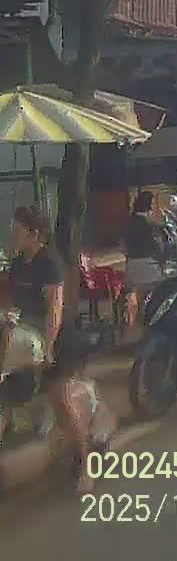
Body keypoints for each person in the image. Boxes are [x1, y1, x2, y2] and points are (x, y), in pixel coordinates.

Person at [7, 206, 92, 490]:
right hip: (29, 338)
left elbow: (54, 310)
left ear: (34, 234)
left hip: (57, 341)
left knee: (61, 401)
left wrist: (49, 348)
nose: (13, 233)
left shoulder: (49, 263)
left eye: (17, 229)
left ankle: (86, 466)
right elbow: (15, 304)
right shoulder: (18, 264)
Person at [122, 191, 164, 333]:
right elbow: (159, 246)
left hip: (132, 267)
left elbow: (123, 246)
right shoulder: (150, 224)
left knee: (140, 302)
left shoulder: (128, 222)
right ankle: (149, 329)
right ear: (149, 205)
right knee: (154, 300)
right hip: (149, 267)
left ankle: (138, 329)